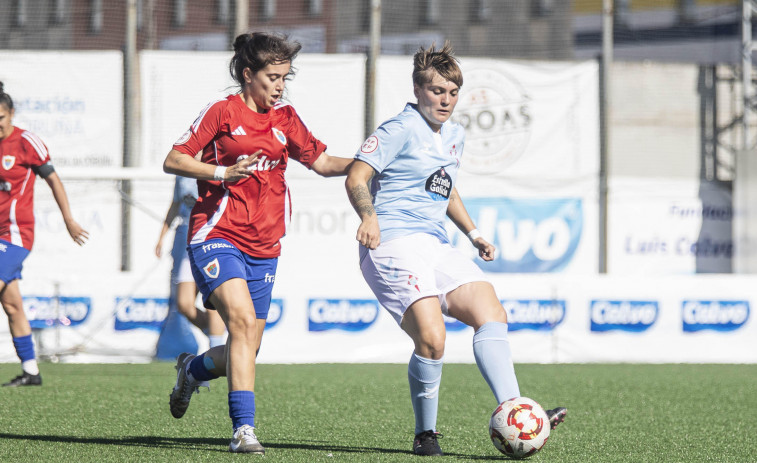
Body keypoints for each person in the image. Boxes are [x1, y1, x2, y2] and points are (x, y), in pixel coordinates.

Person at [344, 43, 567, 456]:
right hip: (391, 242)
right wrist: (368, 217)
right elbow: (356, 176)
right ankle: (425, 435)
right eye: (436, 91)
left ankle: (515, 409)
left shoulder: (455, 135)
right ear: (417, 89)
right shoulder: (398, 129)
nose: (445, 100)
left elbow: (443, 188)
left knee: (491, 312)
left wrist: (473, 232)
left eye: (452, 92)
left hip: (434, 243)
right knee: (433, 339)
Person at [162, 32, 353, 454]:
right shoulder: (222, 112)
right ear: (248, 75)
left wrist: (369, 164)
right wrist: (221, 174)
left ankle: (192, 371)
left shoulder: (286, 118)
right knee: (244, 326)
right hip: (216, 235)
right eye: (273, 77)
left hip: (264, 246)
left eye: (285, 77)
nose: (280, 86)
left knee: (244, 347)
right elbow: (174, 159)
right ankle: (243, 430)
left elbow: (321, 162)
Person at [0, 81, 89, 387]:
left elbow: (53, 180)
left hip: (14, 234)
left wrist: (68, 219)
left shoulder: (27, 142)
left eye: (0, 117)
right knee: (12, 305)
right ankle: (31, 372)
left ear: (11, 114)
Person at [155, 175, 226, 349]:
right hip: (188, 241)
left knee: (212, 300)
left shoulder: (216, 166)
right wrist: (161, 237)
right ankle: (221, 342)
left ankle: (216, 351)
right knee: (184, 303)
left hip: (210, 239)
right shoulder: (181, 174)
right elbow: (175, 205)